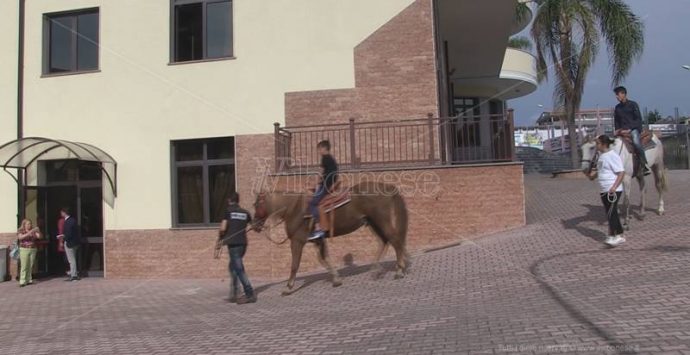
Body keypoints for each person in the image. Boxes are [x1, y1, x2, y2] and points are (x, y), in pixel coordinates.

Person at [218, 192, 256, 304]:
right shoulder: (245, 212)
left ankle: (249, 294)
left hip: (233, 245)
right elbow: (254, 226)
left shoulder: (228, 211)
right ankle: (235, 293)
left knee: (239, 269)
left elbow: (223, 228)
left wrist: (220, 238)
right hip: (243, 244)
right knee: (233, 267)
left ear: (229, 200)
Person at [588, 135, 626, 247]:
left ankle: (613, 236)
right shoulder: (602, 156)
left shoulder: (612, 156)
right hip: (604, 189)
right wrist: (592, 176)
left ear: (604, 144)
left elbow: (621, 172)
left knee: (611, 213)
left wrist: (614, 187)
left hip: (612, 190)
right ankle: (619, 234)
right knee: (611, 212)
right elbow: (602, 170)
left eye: (598, 143)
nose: (596, 146)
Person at [613, 86, 649, 176]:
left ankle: (644, 165)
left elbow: (638, 119)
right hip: (622, 131)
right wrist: (617, 130)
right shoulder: (617, 108)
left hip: (633, 129)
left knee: (636, 143)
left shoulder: (633, 105)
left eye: (618, 94)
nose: (616, 97)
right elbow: (616, 121)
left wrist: (630, 129)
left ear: (624, 94)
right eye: (616, 95)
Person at [308, 140, 339, 241]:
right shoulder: (331, 159)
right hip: (329, 184)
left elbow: (320, 173)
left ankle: (318, 229)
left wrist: (317, 184)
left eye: (319, 149)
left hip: (326, 186)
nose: (319, 151)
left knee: (312, 203)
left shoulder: (325, 158)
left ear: (324, 148)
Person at [17, 219, 41, 287]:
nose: (29, 225)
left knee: (30, 265)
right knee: (24, 265)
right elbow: (20, 238)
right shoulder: (21, 231)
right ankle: (22, 280)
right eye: (27, 224)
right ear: (24, 225)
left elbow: (39, 237)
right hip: (24, 249)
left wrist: (38, 231)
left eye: (30, 224)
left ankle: (29, 279)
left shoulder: (33, 230)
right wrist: (29, 232)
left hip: (33, 249)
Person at [58, 207, 80, 281]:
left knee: (71, 260)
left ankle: (74, 275)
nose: (61, 214)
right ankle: (74, 274)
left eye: (61, 212)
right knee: (73, 259)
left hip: (70, 243)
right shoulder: (73, 220)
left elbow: (69, 233)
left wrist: (62, 237)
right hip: (75, 243)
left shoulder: (68, 221)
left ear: (64, 212)